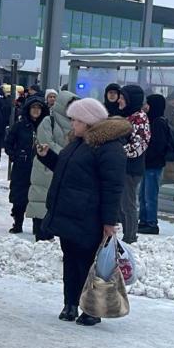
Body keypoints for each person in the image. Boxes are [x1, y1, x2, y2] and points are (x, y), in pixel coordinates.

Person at [36, 98, 129, 327]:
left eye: (76, 119)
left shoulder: (109, 147)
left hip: (90, 216)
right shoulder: (78, 142)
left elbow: (113, 187)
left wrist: (109, 221)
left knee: (88, 264)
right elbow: (67, 170)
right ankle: (70, 304)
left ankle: (91, 309)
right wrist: (47, 156)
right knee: (70, 259)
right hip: (70, 212)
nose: (72, 124)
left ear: (88, 122)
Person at [28, 90, 78, 241]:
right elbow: (46, 144)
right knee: (41, 201)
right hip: (46, 167)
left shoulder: (77, 124)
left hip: (65, 169)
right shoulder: (48, 121)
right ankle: (41, 236)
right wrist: (68, 155)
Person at [5, 96, 49, 233]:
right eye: (33, 108)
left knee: (39, 197)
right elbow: (8, 142)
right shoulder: (20, 126)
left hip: (41, 168)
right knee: (19, 196)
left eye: (39, 108)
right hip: (22, 167)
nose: (36, 111)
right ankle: (18, 223)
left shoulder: (46, 127)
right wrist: (15, 156)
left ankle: (38, 226)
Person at [117, 85, 150, 244]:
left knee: (128, 204)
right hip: (124, 166)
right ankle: (127, 234)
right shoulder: (128, 115)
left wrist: (117, 151)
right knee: (123, 204)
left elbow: (139, 145)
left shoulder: (139, 118)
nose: (119, 101)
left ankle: (130, 236)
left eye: (122, 98)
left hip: (131, 168)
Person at [139, 94, 168, 235]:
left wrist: (147, 154)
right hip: (148, 164)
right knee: (143, 194)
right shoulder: (152, 121)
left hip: (153, 165)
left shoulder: (158, 123)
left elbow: (158, 146)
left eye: (148, 104)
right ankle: (144, 220)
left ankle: (151, 222)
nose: (145, 107)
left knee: (150, 195)